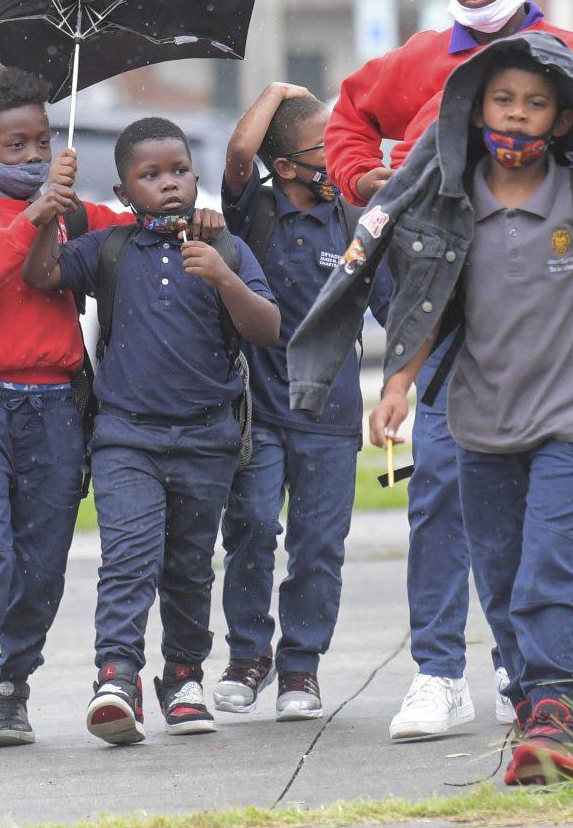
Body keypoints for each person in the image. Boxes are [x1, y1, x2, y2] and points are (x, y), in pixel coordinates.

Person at [326, 0, 573, 740]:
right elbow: (347, 116)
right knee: (442, 492)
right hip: (444, 319)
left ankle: (526, 669)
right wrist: (362, 181)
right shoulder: (418, 59)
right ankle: (439, 670)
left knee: (534, 520)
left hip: (549, 326)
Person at [368, 55, 573, 783]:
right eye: (504, 99)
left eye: (537, 102)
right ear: (476, 112)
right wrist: (398, 384)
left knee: (550, 560)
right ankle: (529, 696)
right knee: (502, 571)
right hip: (478, 423)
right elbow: (427, 300)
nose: (517, 113)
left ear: (560, 118)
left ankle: (553, 705)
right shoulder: (452, 203)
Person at [22, 117, 279, 745]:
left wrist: (222, 277)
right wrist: (43, 210)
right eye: (151, 175)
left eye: (180, 171)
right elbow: (42, 276)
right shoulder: (110, 248)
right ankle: (117, 675)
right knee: (129, 559)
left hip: (206, 439)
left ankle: (184, 674)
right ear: (123, 189)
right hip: (125, 437)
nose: (169, 184)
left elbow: (267, 328)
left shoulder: (226, 250)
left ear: (196, 175)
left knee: (190, 566)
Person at [0, 68, 130, 755]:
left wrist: (184, 212)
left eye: (43, 140)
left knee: (43, 559)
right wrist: (35, 216)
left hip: (56, 407)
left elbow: (133, 236)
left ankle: (13, 682)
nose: (35, 156)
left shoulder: (74, 214)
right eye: (16, 145)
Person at [214, 82, 392, 721]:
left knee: (319, 545)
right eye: (326, 146)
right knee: (253, 529)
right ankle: (246, 655)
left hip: (331, 420)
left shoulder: (354, 221)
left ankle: (300, 668)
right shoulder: (252, 214)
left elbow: (396, 308)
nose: (338, 158)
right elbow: (239, 154)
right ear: (286, 167)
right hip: (259, 415)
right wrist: (273, 92)